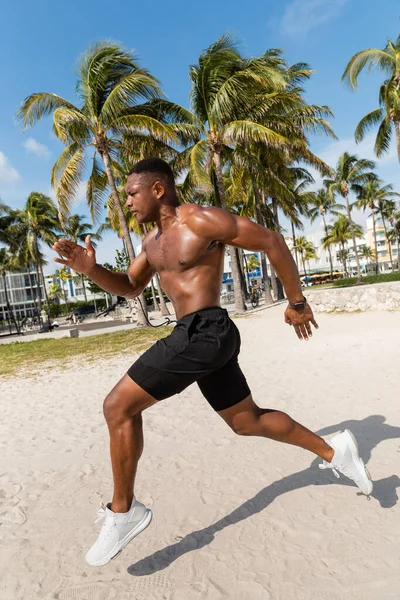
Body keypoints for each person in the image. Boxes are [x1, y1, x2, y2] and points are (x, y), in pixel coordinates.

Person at [53, 158, 373, 568]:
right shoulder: (151, 244)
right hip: (198, 336)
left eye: (132, 193)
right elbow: (130, 287)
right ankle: (336, 452)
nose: (127, 202)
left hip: (206, 330)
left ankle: (123, 511)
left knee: (117, 406)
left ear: (157, 190)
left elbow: (272, 241)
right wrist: (90, 268)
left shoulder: (201, 221)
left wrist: (297, 302)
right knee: (247, 421)